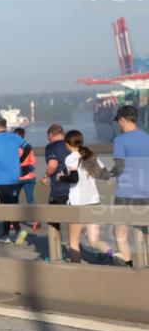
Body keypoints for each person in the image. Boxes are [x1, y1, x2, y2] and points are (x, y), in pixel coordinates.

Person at [106, 105, 149, 268]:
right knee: (146, 230)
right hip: (146, 193)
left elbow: (119, 168)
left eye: (118, 121)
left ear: (122, 120)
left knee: (120, 232)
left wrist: (107, 174)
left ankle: (128, 266)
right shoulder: (147, 138)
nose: (118, 124)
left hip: (125, 193)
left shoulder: (120, 140)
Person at [59, 130, 111, 263]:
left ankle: (77, 271)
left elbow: (74, 178)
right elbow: (106, 175)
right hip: (93, 202)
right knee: (94, 241)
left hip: (78, 204)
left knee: (73, 243)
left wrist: (61, 177)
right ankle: (115, 256)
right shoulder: (90, 155)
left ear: (67, 144)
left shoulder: (71, 158)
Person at [0, 117, 25, 244]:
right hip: (15, 177)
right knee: (12, 204)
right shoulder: (15, 137)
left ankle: (16, 230)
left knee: (5, 206)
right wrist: (19, 159)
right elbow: (28, 147)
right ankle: (6, 233)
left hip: (1, 178)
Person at [40, 123, 70, 245]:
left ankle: (56, 248)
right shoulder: (72, 145)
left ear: (51, 135)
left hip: (59, 189)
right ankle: (76, 247)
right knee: (74, 221)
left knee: (53, 220)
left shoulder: (52, 146)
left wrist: (45, 176)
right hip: (75, 188)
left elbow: (52, 165)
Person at [13, 127, 39, 244]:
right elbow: (33, 161)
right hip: (30, 176)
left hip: (17, 178)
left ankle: (13, 221)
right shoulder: (29, 147)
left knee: (13, 199)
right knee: (30, 199)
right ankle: (36, 220)